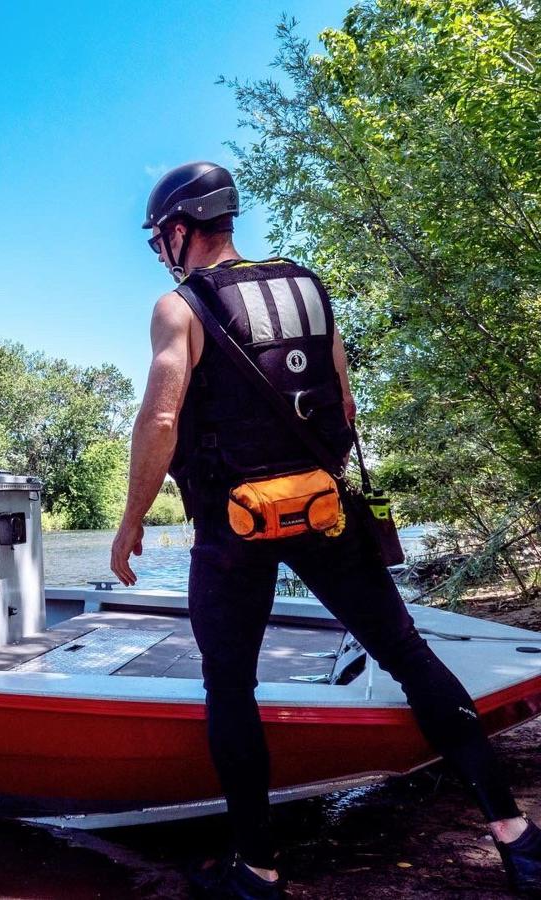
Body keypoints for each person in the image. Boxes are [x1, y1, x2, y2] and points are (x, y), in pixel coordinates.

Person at [110, 161, 541, 898]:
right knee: (406, 652)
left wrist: (129, 524)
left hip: (234, 528)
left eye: (159, 240)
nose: (159, 253)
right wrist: (318, 484)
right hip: (323, 510)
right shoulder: (308, 286)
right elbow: (342, 400)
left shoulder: (178, 307)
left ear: (181, 230)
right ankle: (516, 836)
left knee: (231, 690)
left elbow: (158, 419)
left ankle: (258, 869)